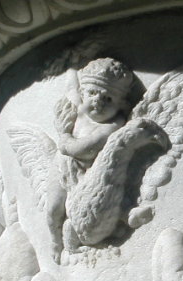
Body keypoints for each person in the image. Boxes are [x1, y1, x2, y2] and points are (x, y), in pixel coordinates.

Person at [47, 58, 135, 262]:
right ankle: (54, 240)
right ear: (83, 93)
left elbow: (84, 150)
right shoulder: (79, 109)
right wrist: (72, 63)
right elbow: (71, 86)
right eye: (93, 93)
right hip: (62, 167)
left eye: (108, 99)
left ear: (122, 104)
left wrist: (64, 137)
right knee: (53, 209)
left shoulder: (112, 125)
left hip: (88, 176)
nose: (98, 101)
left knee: (97, 205)